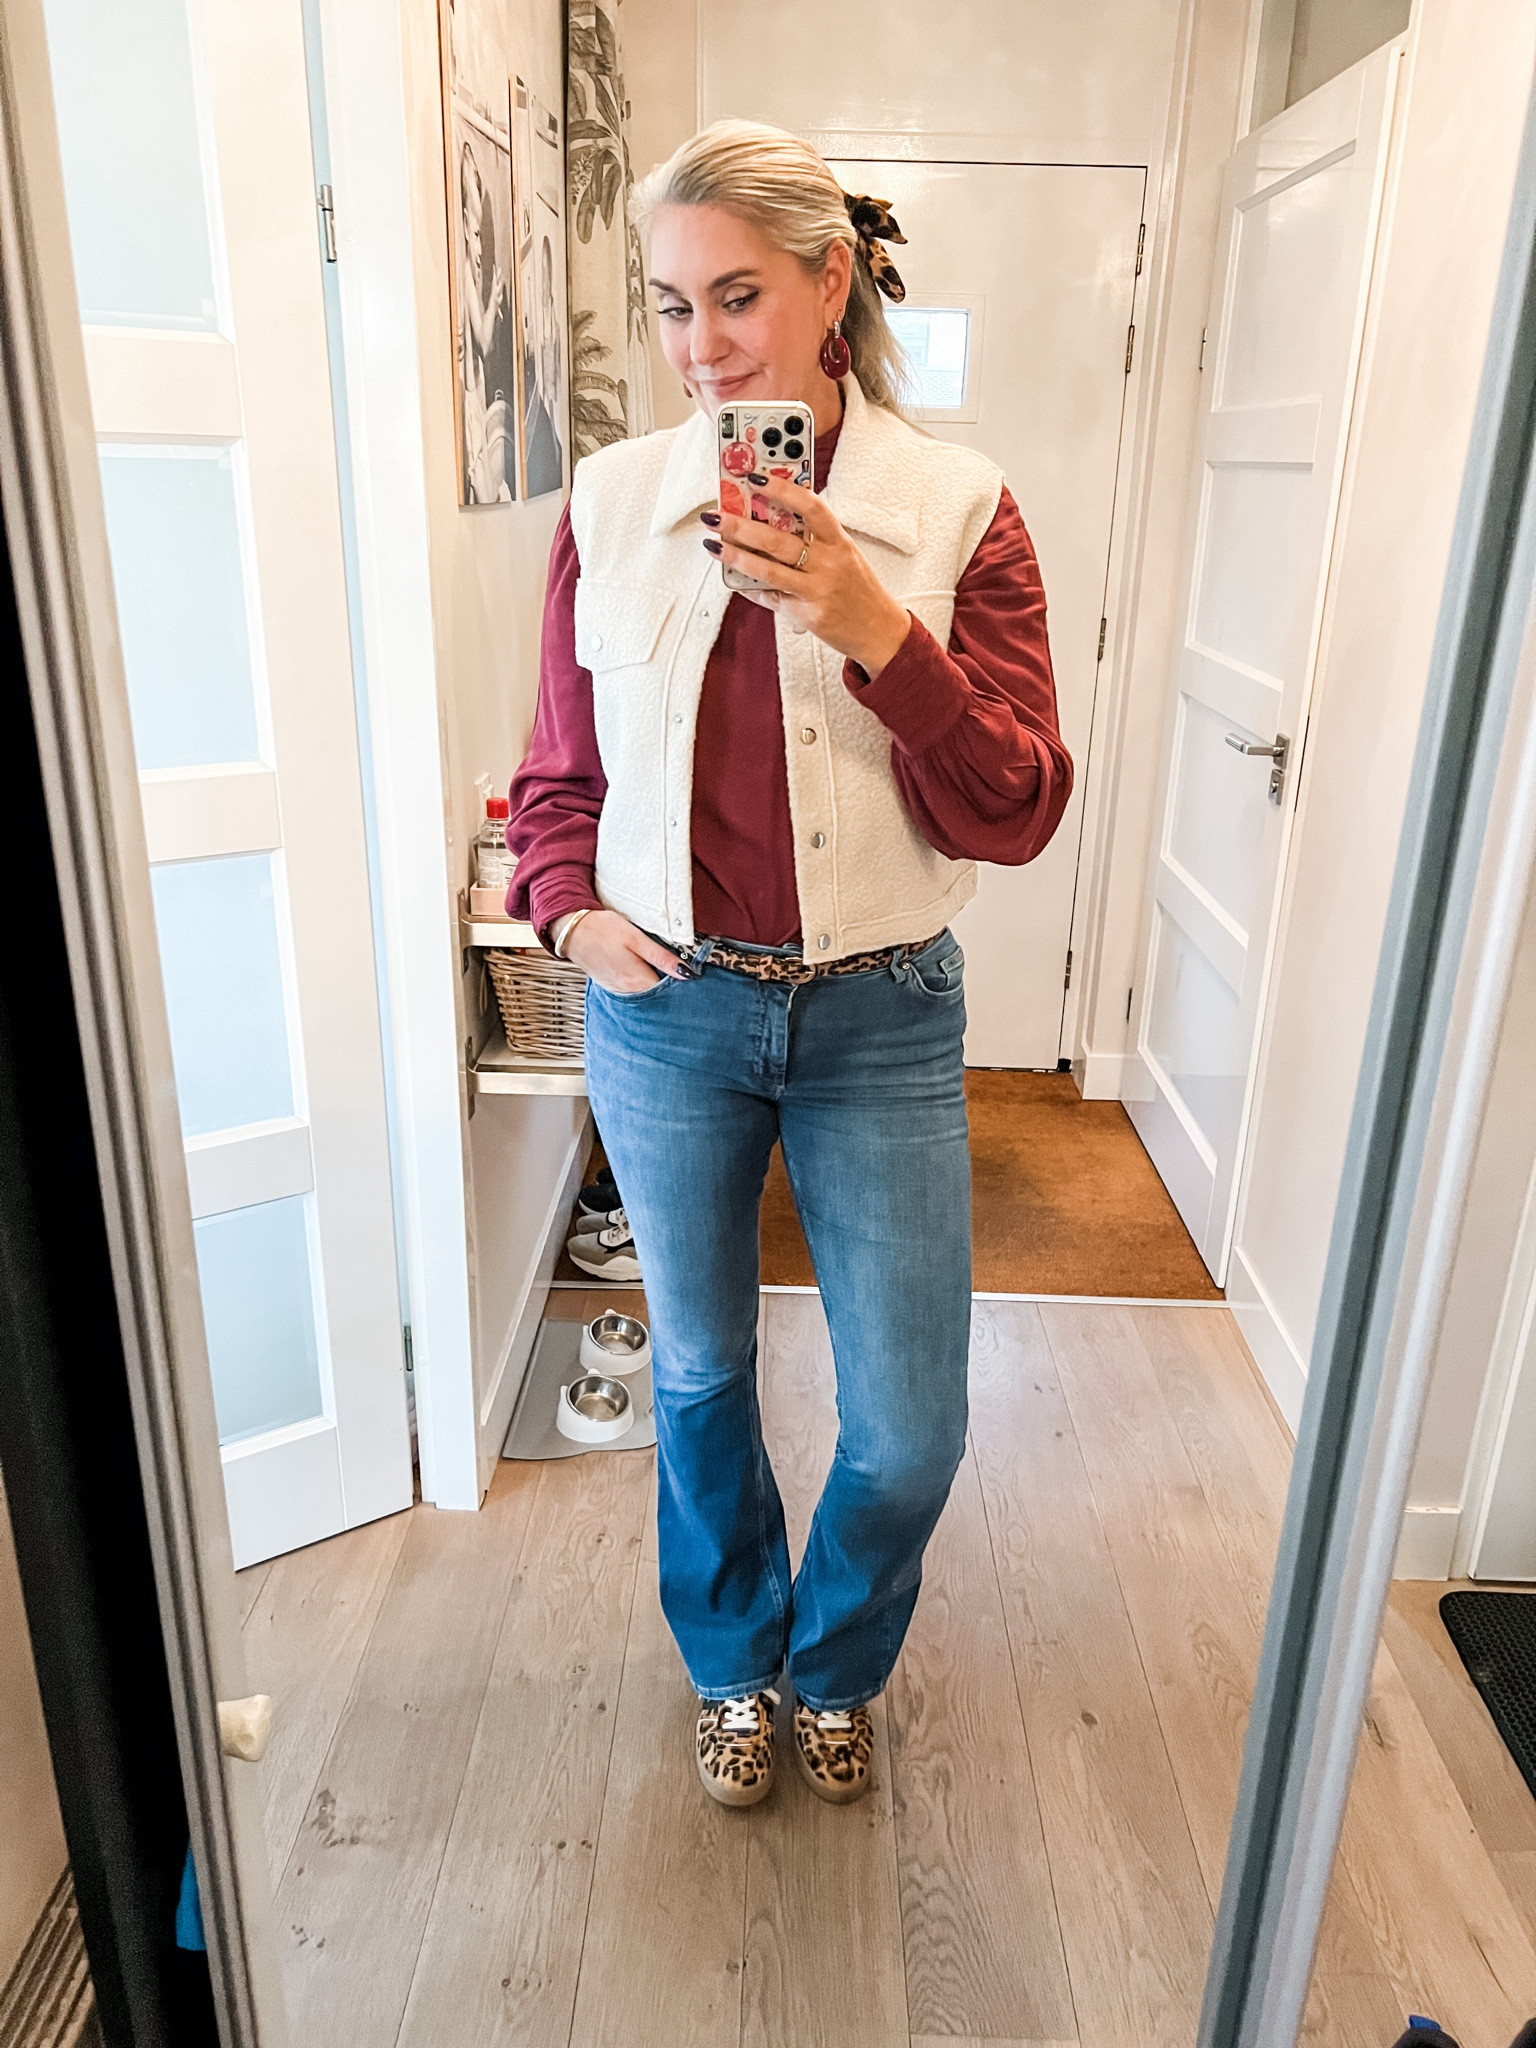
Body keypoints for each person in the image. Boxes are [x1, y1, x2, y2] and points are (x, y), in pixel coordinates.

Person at [507, 119, 1072, 1808]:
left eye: (739, 297)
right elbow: (558, 776)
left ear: (832, 285)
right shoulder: (614, 503)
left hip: (879, 1020)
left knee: (907, 1429)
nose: (703, 349)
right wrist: (569, 912)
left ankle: (836, 1659)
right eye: (672, 306)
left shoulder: (955, 512)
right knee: (694, 1377)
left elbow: (1017, 809)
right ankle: (734, 1662)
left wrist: (873, 624)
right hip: (669, 1012)